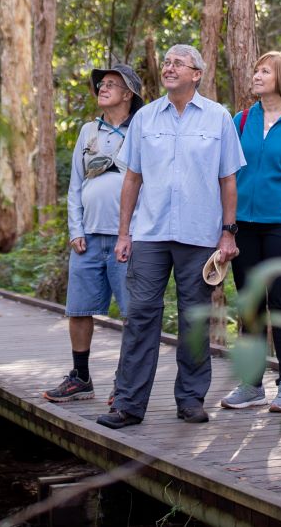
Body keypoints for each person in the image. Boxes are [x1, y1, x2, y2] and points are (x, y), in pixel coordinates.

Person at [97, 44, 244, 430]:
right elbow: (132, 178)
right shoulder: (145, 118)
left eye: (179, 63)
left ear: (197, 74)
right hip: (149, 234)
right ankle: (128, 404)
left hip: (200, 235)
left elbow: (228, 180)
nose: (169, 67)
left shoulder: (218, 118)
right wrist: (123, 232)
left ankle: (191, 399)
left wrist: (228, 234)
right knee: (141, 315)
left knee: (194, 318)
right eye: (166, 62)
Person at [220, 51, 281, 415]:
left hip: (280, 226)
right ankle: (251, 384)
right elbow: (226, 176)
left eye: (265, 71)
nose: (257, 75)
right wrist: (225, 227)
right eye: (256, 70)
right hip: (242, 226)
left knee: (280, 305)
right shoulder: (241, 120)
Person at [43, 62, 142, 403]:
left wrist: (134, 232)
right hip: (88, 238)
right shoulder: (89, 131)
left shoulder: (140, 131)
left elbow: (151, 184)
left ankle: (125, 382)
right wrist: (75, 229)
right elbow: (75, 185)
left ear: (128, 94)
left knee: (131, 312)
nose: (102, 88)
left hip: (126, 238)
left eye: (112, 84)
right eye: (101, 84)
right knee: (78, 308)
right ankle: (81, 377)